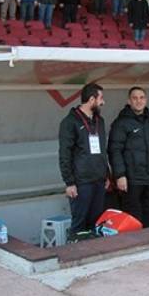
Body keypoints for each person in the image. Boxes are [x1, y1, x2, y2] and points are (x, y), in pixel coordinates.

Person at [108, 87, 149, 227]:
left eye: (142, 97)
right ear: (129, 101)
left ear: (146, 100)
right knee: (133, 218)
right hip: (132, 180)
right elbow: (115, 150)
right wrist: (120, 175)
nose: (139, 101)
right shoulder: (121, 123)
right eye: (135, 98)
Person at [58, 83, 110, 235]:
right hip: (81, 182)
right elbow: (64, 154)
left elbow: (102, 149)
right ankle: (75, 251)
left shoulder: (100, 121)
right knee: (80, 222)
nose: (103, 102)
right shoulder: (70, 122)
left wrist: (106, 172)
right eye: (101, 98)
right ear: (92, 99)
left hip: (99, 179)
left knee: (96, 221)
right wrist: (69, 182)